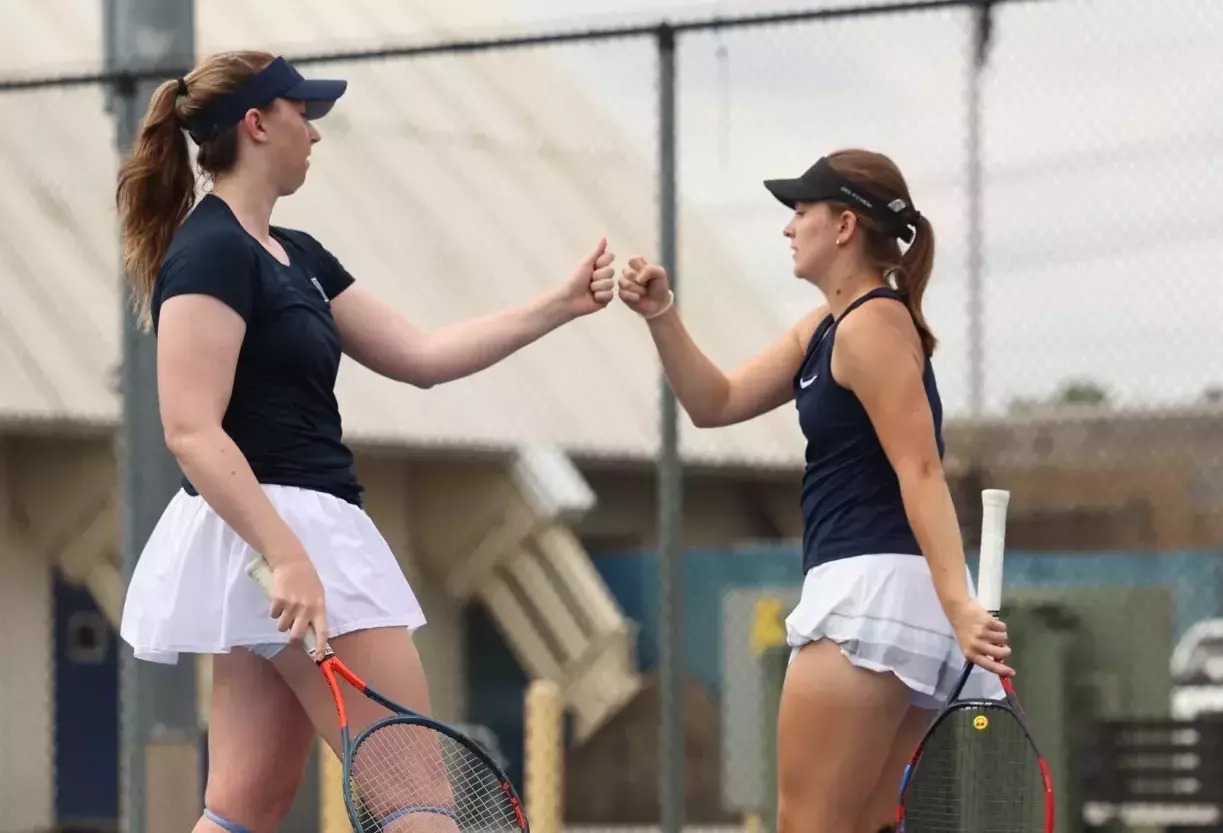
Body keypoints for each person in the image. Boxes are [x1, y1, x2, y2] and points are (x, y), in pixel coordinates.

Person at [115, 51, 616, 833]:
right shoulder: (210, 251)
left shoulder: (300, 255)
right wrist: (287, 554)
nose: (314, 131)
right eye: (300, 113)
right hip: (283, 542)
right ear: (256, 123)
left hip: (285, 545)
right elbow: (189, 428)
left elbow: (419, 355)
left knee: (241, 806)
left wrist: (557, 304)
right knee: (417, 802)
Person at [617, 150, 1012, 833]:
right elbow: (715, 401)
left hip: (868, 597)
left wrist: (960, 605)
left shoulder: (871, 326)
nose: (787, 227)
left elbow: (919, 470)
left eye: (801, 211)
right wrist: (661, 314)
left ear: (844, 226)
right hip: (891, 597)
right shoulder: (826, 327)